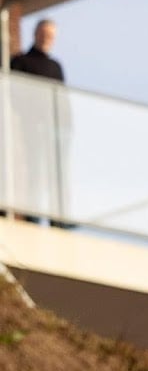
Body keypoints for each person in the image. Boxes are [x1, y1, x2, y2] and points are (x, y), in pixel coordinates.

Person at [8, 18, 73, 228]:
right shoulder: (21, 62)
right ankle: (33, 217)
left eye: (50, 36)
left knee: (55, 174)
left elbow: (62, 100)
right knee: (35, 172)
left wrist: (66, 126)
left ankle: (58, 219)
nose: (47, 39)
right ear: (35, 35)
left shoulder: (55, 67)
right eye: (44, 35)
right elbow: (13, 95)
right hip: (32, 127)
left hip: (53, 129)